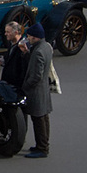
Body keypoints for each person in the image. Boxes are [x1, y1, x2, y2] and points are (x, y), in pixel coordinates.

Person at [22, 22, 54, 158]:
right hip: (44, 90)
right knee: (44, 119)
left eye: (29, 36)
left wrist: (26, 86)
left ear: (35, 37)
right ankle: (43, 144)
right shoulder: (47, 47)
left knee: (38, 120)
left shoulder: (39, 51)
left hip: (36, 92)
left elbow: (36, 75)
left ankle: (42, 148)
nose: (28, 39)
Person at [0, 19, 29, 88]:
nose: (5, 34)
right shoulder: (11, 44)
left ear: (16, 32)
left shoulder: (23, 46)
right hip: (8, 83)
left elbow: (24, 66)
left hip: (16, 85)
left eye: (8, 32)